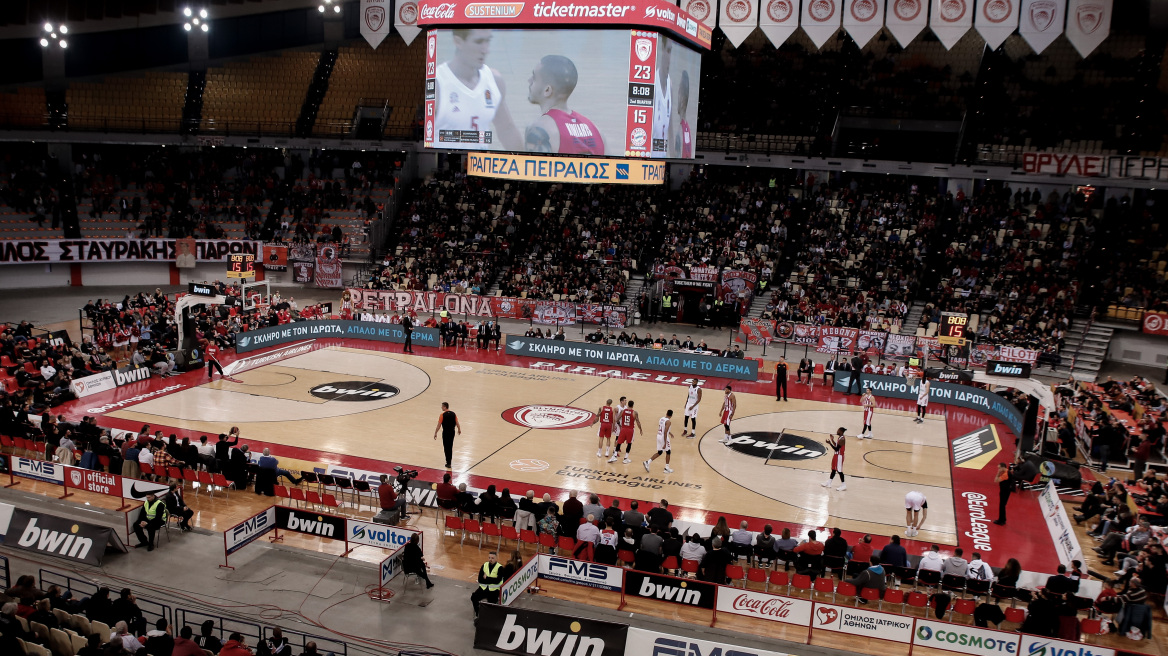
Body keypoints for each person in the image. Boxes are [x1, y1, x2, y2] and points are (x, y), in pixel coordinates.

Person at [434, 29, 521, 150]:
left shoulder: (494, 80)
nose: (486, 50)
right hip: (443, 165)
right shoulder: (437, 84)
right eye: (479, 42)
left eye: (488, 41)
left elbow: (507, 130)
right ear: (458, 42)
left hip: (478, 166)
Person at [524, 55, 605, 155]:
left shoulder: (539, 129)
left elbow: (532, 169)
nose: (529, 80)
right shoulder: (597, 131)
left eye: (534, 77)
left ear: (547, 90)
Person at [470, 551, 504, 616]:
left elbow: (497, 581)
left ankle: (489, 617)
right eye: (489, 558)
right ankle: (478, 613)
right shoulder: (484, 565)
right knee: (473, 597)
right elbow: (480, 579)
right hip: (483, 589)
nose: (490, 559)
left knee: (491, 605)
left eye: (492, 558)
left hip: (494, 591)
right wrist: (491, 579)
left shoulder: (500, 568)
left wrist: (486, 578)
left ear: (496, 558)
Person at [608, 399, 642, 464]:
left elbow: (617, 419)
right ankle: (626, 458)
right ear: (633, 405)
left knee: (619, 442)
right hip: (630, 430)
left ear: (628, 404)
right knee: (629, 443)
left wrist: (620, 425)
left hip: (623, 429)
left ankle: (614, 456)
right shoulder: (634, 413)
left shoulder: (623, 411)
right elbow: (638, 422)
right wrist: (640, 429)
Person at [644, 409, 675, 474]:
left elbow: (662, 428)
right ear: (671, 415)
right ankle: (666, 468)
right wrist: (665, 442)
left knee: (660, 452)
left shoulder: (661, 419)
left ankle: (647, 462)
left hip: (658, 435)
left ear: (666, 413)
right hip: (663, 437)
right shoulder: (668, 422)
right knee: (668, 451)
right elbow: (665, 431)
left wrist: (670, 433)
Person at [433, 401, 461, 470]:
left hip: (445, 432)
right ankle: (449, 462)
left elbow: (439, 425)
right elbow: (457, 422)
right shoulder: (453, 414)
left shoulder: (442, 415)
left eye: (442, 406)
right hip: (452, 432)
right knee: (450, 446)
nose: (441, 407)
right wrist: (459, 429)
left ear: (445, 407)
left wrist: (436, 432)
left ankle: (448, 462)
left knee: (446, 447)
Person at [821, 427, 847, 491]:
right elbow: (837, 445)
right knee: (833, 469)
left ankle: (843, 485)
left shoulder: (842, 439)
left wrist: (830, 443)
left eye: (838, 430)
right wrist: (832, 440)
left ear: (841, 431)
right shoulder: (840, 438)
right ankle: (829, 482)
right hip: (836, 455)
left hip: (839, 456)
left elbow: (836, 449)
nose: (837, 431)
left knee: (839, 471)